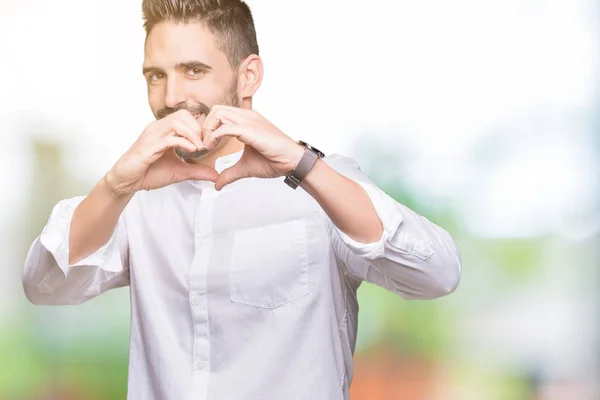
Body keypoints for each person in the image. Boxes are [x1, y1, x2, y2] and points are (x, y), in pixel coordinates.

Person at [22, 1, 462, 399]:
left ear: (247, 75)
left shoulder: (321, 186)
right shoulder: (132, 199)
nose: (171, 97)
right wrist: (116, 186)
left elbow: (437, 274)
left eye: (193, 70)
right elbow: (45, 286)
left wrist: (300, 163)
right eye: (157, 75)